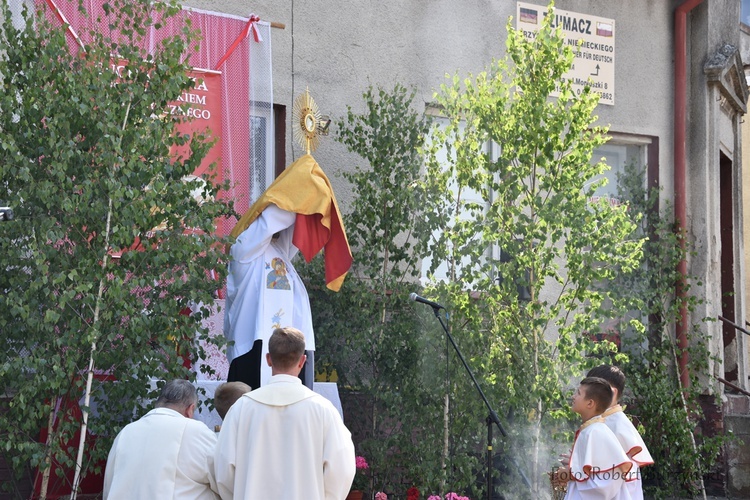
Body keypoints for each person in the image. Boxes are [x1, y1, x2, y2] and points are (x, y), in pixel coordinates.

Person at [224, 154, 352, 391]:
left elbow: (294, 227)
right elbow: (273, 220)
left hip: (289, 350)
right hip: (255, 347)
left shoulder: (279, 252)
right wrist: (301, 186)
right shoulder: (243, 251)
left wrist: (311, 189)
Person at [211, 326, 356, 499]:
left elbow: (223, 469)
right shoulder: (323, 410)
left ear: (268, 359)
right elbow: (341, 469)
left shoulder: (241, 409)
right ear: (302, 361)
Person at [103, 379, 219, 500]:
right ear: (190, 409)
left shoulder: (126, 431)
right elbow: (223, 478)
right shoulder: (196, 430)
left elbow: (110, 483)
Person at [553, 377, 633, 500]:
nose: (573, 397)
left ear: (590, 403)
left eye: (578, 393)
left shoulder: (596, 432)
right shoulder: (590, 430)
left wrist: (570, 474)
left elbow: (608, 484)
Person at [587, 365, 653, 499]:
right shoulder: (605, 422)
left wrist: (573, 473)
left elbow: (606, 484)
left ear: (612, 392)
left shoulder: (615, 428)